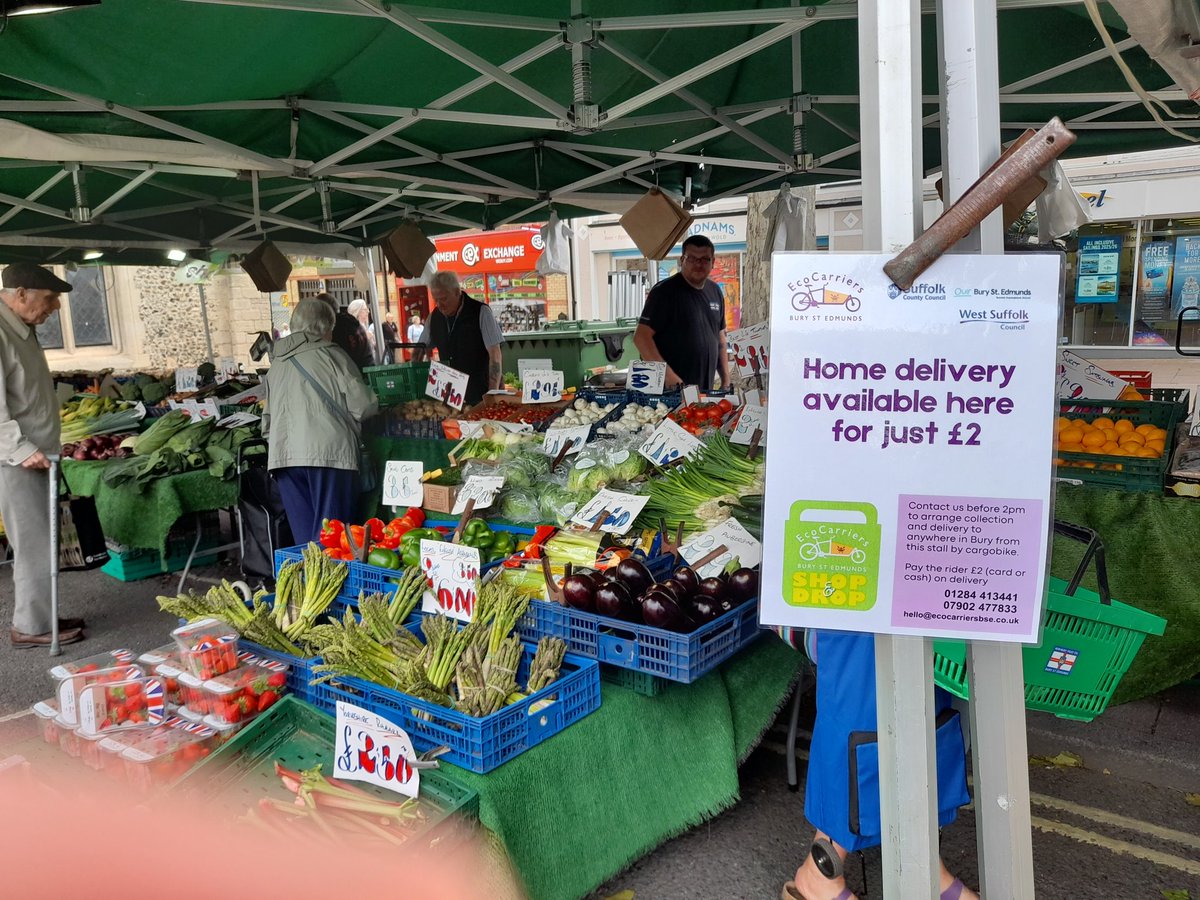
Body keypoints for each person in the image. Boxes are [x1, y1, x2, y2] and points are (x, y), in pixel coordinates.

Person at [782, 630, 977, 900]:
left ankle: (921, 858)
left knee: (927, 690)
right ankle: (820, 870)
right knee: (864, 669)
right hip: (826, 607)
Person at [0, 263, 86, 648]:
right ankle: (31, 627)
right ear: (21, 294)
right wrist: (21, 448)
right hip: (18, 459)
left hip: (38, 454)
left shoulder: (21, 329)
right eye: (49, 299)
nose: (54, 307)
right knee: (33, 542)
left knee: (41, 541)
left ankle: (43, 615)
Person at [263, 298, 378, 545]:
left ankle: (310, 583)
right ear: (327, 327)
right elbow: (364, 407)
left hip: (284, 458)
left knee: (307, 542)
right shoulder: (332, 355)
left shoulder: (277, 364)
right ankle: (336, 583)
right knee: (333, 540)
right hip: (329, 455)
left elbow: (267, 422)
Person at [633, 234, 732, 391]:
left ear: (713, 262)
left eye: (705, 259)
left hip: (704, 389)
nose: (698, 264)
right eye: (692, 258)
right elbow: (641, 337)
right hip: (670, 391)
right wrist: (669, 377)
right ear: (682, 260)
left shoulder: (715, 291)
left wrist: (726, 379)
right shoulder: (664, 292)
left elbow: (719, 338)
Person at [414, 271, 504, 406]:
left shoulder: (481, 312)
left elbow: (495, 354)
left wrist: (491, 394)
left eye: (443, 299)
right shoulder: (434, 318)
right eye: (436, 300)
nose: (439, 305)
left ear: (457, 292)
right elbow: (420, 349)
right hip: (449, 397)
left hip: (480, 395)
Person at [317, 292, 375, 372]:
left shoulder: (337, 328)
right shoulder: (351, 323)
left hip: (355, 376)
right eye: (365, 310)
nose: (368, 312)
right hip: (366, 372)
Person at [347, 297, 378, 364]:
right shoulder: (354, 329)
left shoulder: (364, 326)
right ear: (357, 311)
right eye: (365, 309)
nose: (368, 311)